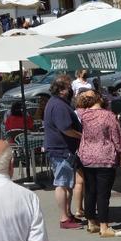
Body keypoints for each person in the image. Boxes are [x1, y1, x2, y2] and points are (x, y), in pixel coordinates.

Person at [76, 91, 121, 237]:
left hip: (87, 156)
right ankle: (104, 226)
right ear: (99, 99)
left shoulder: (83, 115)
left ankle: (91, 222)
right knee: (103, 194)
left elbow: (79, 107)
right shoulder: (108, 116)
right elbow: (117, 138)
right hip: (104, 157)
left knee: (91, 191)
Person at [43, 76, 83, 229]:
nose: (71, 89)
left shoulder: (55, 103)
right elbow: (65, 128)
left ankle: (68, 214)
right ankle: (64, 217)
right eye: (68, 87)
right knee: (62, 184)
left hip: (63, 149)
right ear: (62, 90)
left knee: (67, 184)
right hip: (61, 150)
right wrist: (81, 136)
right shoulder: (59, 105)